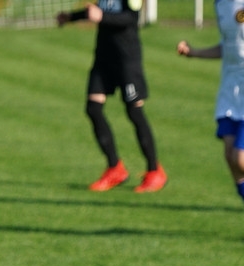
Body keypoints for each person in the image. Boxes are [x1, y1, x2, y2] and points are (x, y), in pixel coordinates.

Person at [57, 0, 167, 193]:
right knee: (93, 108)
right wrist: (71, 17)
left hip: (126, 60)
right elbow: (98, 10)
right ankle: (115, 168)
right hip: (104, 58)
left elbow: (131, 18)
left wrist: (102, 17)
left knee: (134, 112)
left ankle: (154, 171)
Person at [177, 0, 244, 205]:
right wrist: (194, 53)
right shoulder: (221, 4)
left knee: (240, 158)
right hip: (231, 89)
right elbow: (229, 47)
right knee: (230, 155)